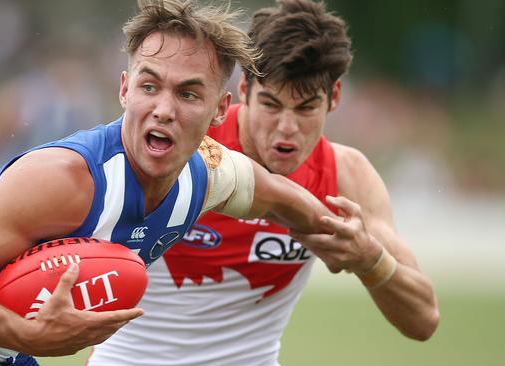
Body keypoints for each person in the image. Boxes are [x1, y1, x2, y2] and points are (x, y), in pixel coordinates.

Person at [0, 1, 337, 365]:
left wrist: (343, 237)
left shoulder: (204, 177)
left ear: (220, 109)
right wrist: (26, 335)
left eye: (188, 93)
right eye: (150, 86)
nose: (164, 108)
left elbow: (273, 194)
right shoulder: (66, 179)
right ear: (124, 88)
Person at [88, 1, 440, 365]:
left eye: (305, 108)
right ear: (244, 90)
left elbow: (424, 321)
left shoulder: (344, 175)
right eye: (271, 105)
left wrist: (371, 261)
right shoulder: (174, 145)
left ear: (334, 98)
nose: (286, 129)